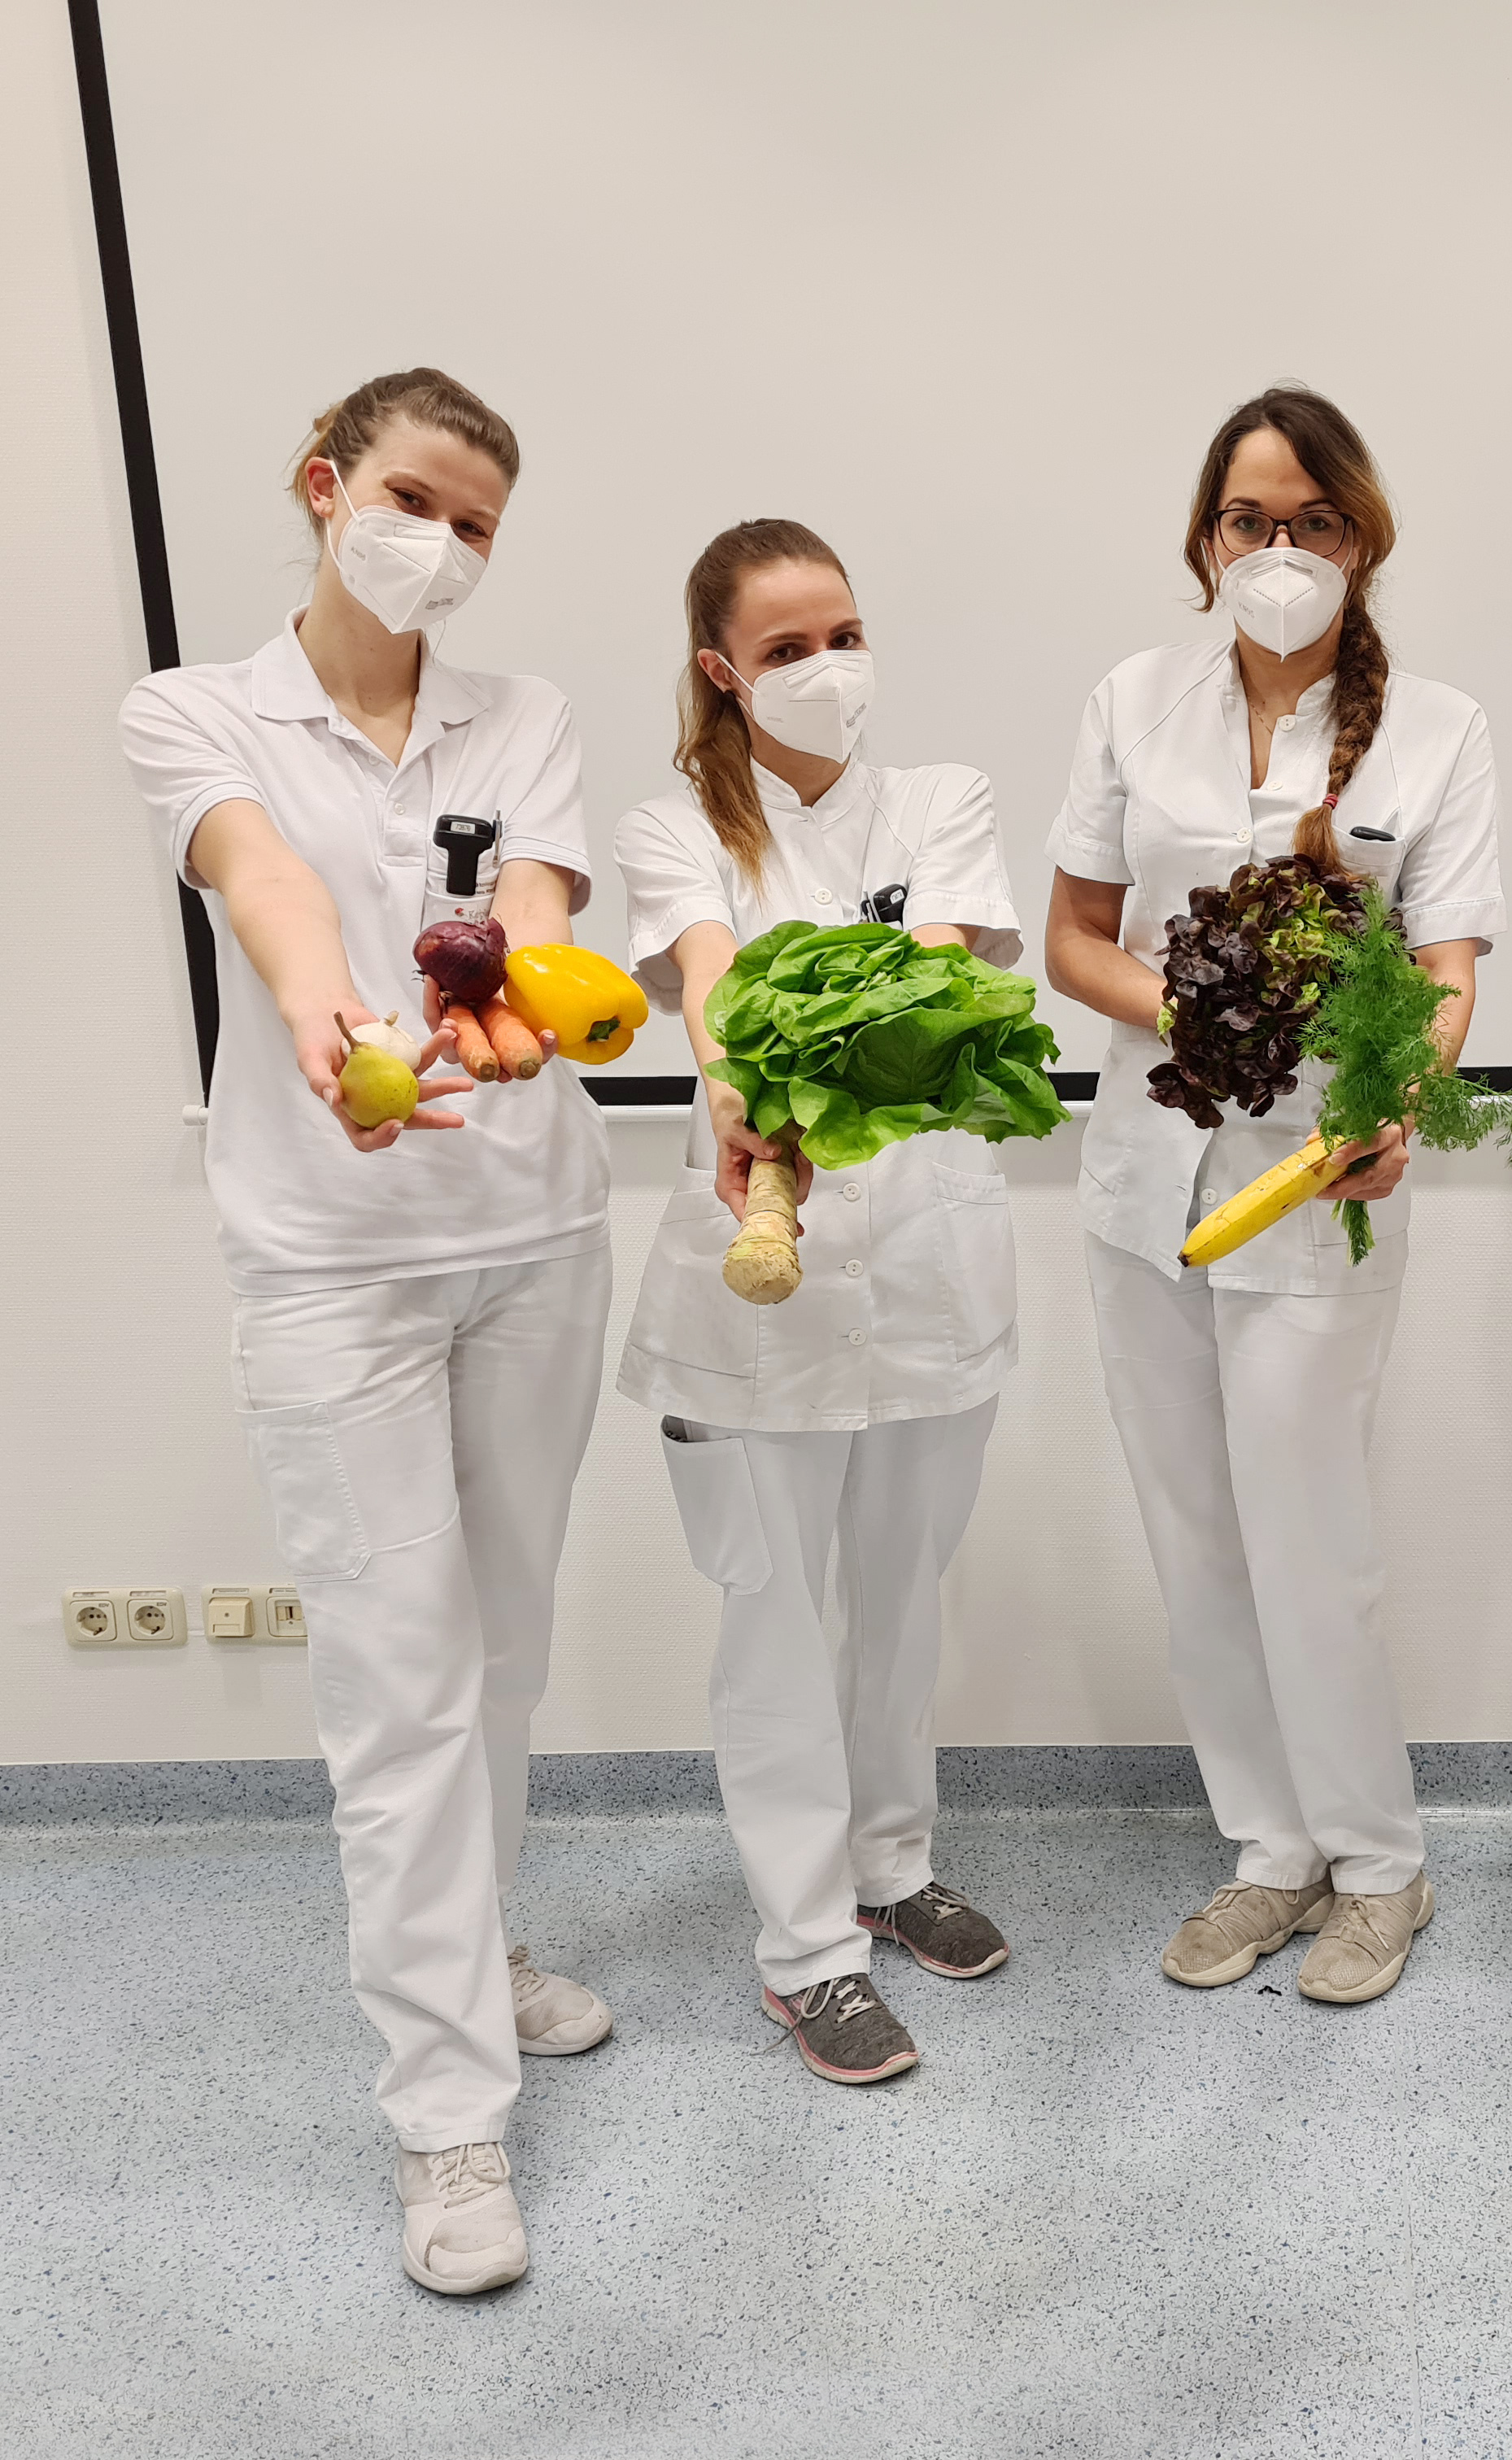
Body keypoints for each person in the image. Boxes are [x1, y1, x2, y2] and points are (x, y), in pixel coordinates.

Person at [119, 369, 614, 2296]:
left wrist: (515, 1008)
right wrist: (336, 1028)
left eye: (481, 523)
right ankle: (445, 2124)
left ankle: (477, 1951)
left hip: (534, 1239)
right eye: (419, 498)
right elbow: (263, 880)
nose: (447, 544)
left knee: (501, 1650)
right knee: (398, 1688)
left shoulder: (530, 716)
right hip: (335, 1266)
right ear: (326, 487)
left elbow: (546, 911)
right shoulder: (198, 711)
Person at [1044, 386, 1505, 2006]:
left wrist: (1400, 1094)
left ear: (1361, 539)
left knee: (1307, 1531)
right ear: (1206, 540)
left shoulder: (1438, 727)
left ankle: (1380, 1864)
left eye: (1314, 522)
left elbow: (1449, 971)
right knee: (1196, 1529)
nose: (1281, 549)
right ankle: (1268, 1851)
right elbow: (1073, 937)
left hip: (1320, 1174)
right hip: (1145, 1174)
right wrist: (1196, 1009)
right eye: (1252, 521)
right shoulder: (1129, 699)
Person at [616, 521, 1023, 2087]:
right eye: (787, 649)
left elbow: (934, 984)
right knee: (776, 1625)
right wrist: (742, 1080)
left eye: (843, 634)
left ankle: (890, 1866)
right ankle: (806, 1950)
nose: (826, 670)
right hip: (758, 1285)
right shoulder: (674, 828)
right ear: (722, 670)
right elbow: (719, 989)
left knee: (900, 1601)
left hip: (926, 1266)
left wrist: (807, 1052)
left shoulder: (945, 803)